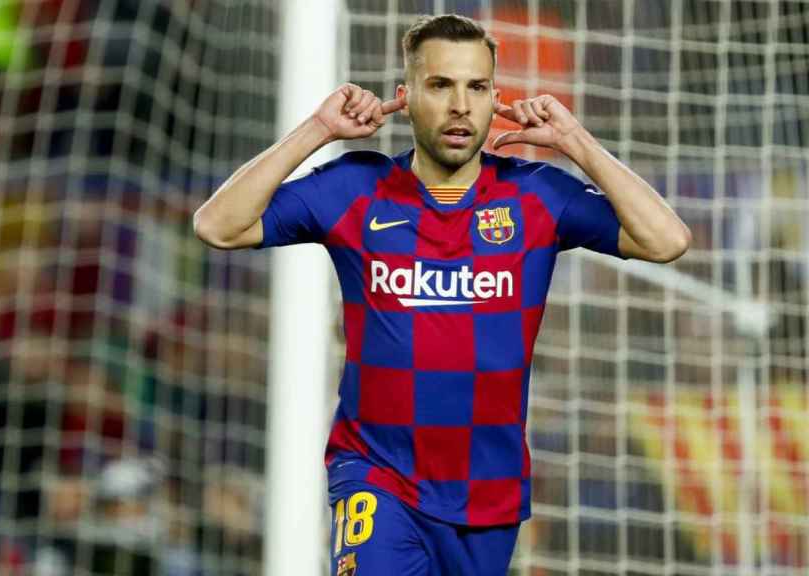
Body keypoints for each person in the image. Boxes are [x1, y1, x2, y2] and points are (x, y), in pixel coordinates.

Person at [193, 13, 690, 576]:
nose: (460, 105)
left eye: (477, 87)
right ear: (405, 98)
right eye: (440, 85)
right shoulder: (356, 188)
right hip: (377, 475)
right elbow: (219, 225)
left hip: (486, 490)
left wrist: (576, 142)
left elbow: (667, 239)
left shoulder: (535, 197)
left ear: (495, 98)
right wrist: (316, 131)